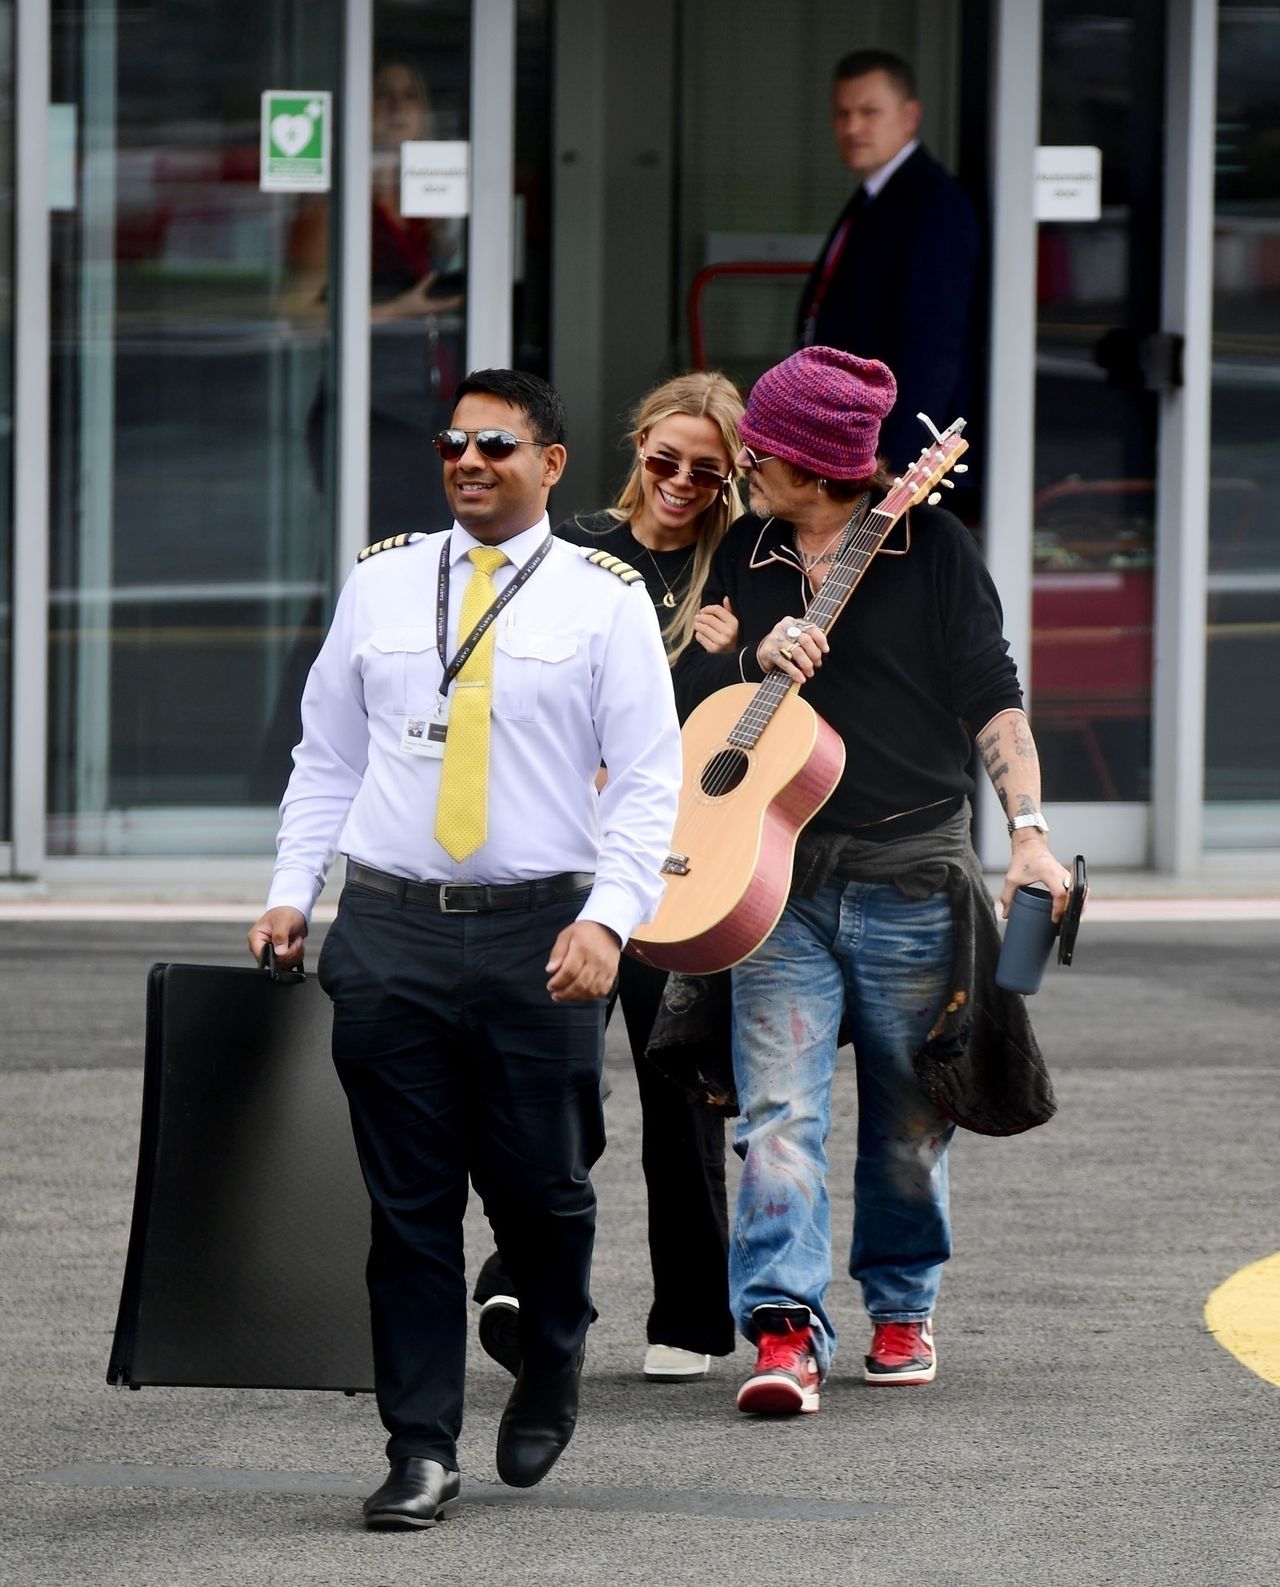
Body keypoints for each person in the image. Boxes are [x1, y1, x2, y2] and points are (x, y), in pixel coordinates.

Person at [248, 368, 682, 1526]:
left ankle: (549, 1354)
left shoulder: (602, 598)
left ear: (550, 463)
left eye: (496, 444)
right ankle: (420, 1448)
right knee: (408, 1211)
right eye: (453, 443)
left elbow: (648, 783)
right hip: (388, 930)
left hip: (544, 934)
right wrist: (295, 893)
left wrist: (608, 921)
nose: (469, 462)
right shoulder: (383, 581)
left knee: (544, 1194)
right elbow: (326, 757)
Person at [672, 345, 1070, 1417]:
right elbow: (695, 703)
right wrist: (752, 659)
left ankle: (899, 1304)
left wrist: (1027, 833)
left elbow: (991, 693)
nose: (745, 461)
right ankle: (782, 1329)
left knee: (907, 1118)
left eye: (763, 450)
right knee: (774, 1116)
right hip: (776, 880)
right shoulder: (747, 550)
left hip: (907, 870)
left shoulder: (930, 546)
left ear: (814, 464)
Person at [472, 371, 745, 1384]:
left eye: (706, 471)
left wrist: (743, 651)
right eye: (662, 459)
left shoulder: (742, 570)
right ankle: (524, 1277)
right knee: (547, 1082)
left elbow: (762, 716)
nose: (679, 482)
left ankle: (689, 1318)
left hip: (687, 865)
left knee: (678, 1093)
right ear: (633, 447)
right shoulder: (573, 549)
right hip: (564, 860)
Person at [290, 58, 466, 537]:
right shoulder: (336, 206)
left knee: (431, 552)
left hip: (431, 408)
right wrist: (396, 312)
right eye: (382, 94)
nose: (396, 107)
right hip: (366, 411)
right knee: (376, 554)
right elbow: (297, 316)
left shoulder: (437, 207)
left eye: (410, 95)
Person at [795, 49, 979, 473]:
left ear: (910, 115)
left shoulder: (932, 202)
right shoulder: (874, 195)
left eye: (869, 111)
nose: (852, 127)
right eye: (842, 114)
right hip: (851, 439)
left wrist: (897, 466)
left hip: (887, 457)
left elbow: (933, 350)